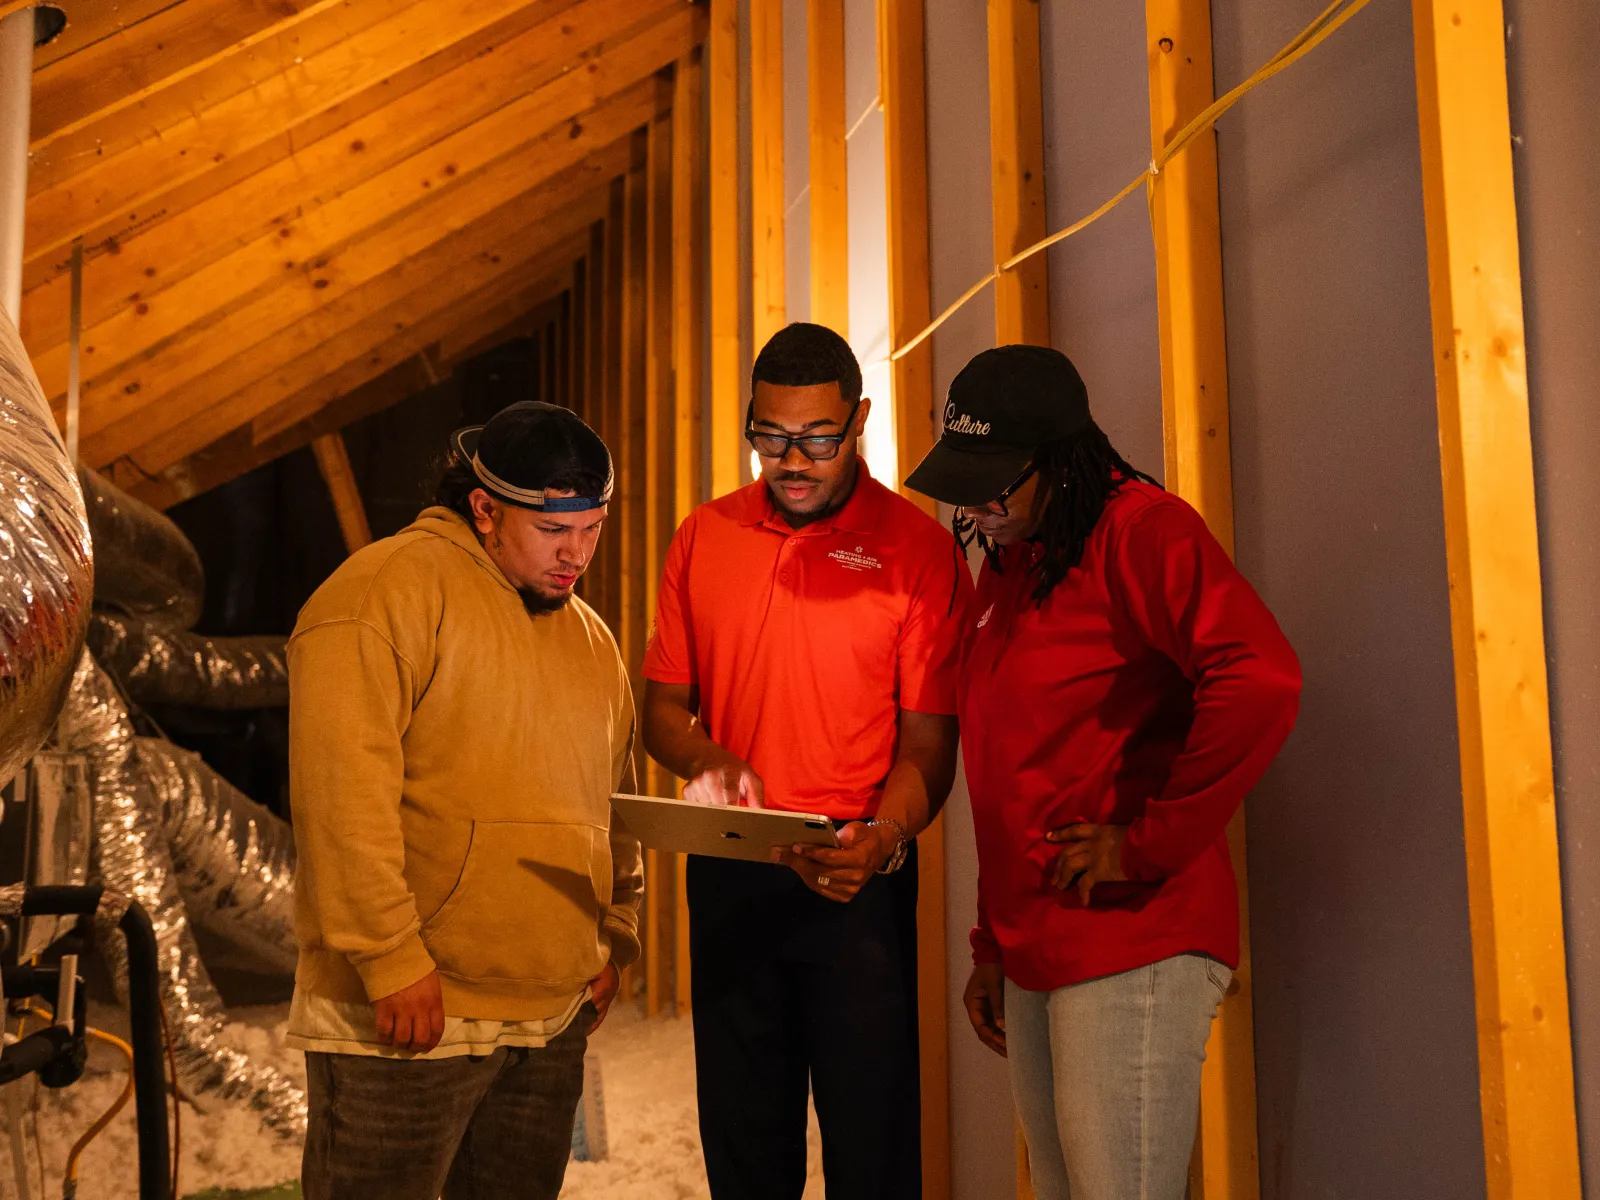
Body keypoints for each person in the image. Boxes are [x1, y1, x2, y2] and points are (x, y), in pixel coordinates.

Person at [904, 346, 1301, 1200]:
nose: (976, 506)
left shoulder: (1141, 529)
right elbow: (1014, 765)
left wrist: (1147, 844)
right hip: (1040, 937)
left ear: (1062, 460)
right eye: (962, 486)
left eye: (994, 485)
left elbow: (1262, 677)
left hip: (1134, 934)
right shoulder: (1011, 556)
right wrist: (991, 943)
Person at [641, 322, 972, 1200]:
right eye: (771, 436)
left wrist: (883, 837)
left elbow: (930, 744)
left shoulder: (917, 551)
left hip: (854, 873)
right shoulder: (702, 538)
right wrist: (708, 758)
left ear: (859, 420)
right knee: (745, 1152)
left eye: (818, 439)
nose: (792, 460)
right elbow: (661, 710)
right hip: (732, 871)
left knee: (874, 1149)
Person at [286, 401, 644, 1200]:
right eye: (556, 531)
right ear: (484, 509)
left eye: (593, 528)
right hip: (411, 1018)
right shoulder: (383, 593)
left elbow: (613, 803)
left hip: (551, 1019)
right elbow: (341, 795)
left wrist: (613, 932)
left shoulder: (592, 640)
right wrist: (388, 958)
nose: (577, 553)